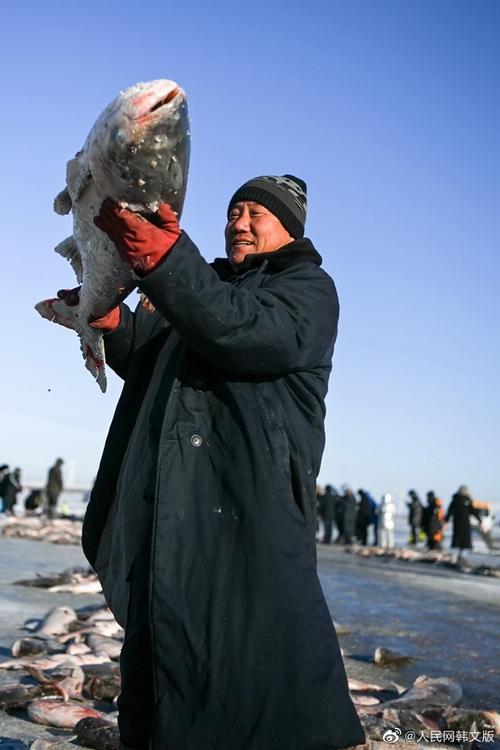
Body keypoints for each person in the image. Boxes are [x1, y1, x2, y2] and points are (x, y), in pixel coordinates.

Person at [54, 175, 365, 750]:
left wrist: (168, 260)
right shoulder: (202, 289)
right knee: (164, 637)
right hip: (170, 499)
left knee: (259, 647)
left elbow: (240, 332)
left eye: (256, 214)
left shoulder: (307, 289)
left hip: (247, 501)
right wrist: (112, 325)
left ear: (289, 228)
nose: (239, 223)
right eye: (233, 211)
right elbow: (155, 355)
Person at [445, 485, 481, 563]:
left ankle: (461, 557)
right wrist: (446, 520)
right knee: (461, 540)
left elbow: (473, 511)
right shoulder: (456, 500)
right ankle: (459, 557)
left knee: (464, 541)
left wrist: (479, 519)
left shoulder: (466, 500)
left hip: (463, 523)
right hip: (460, 523)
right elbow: (450, 511)